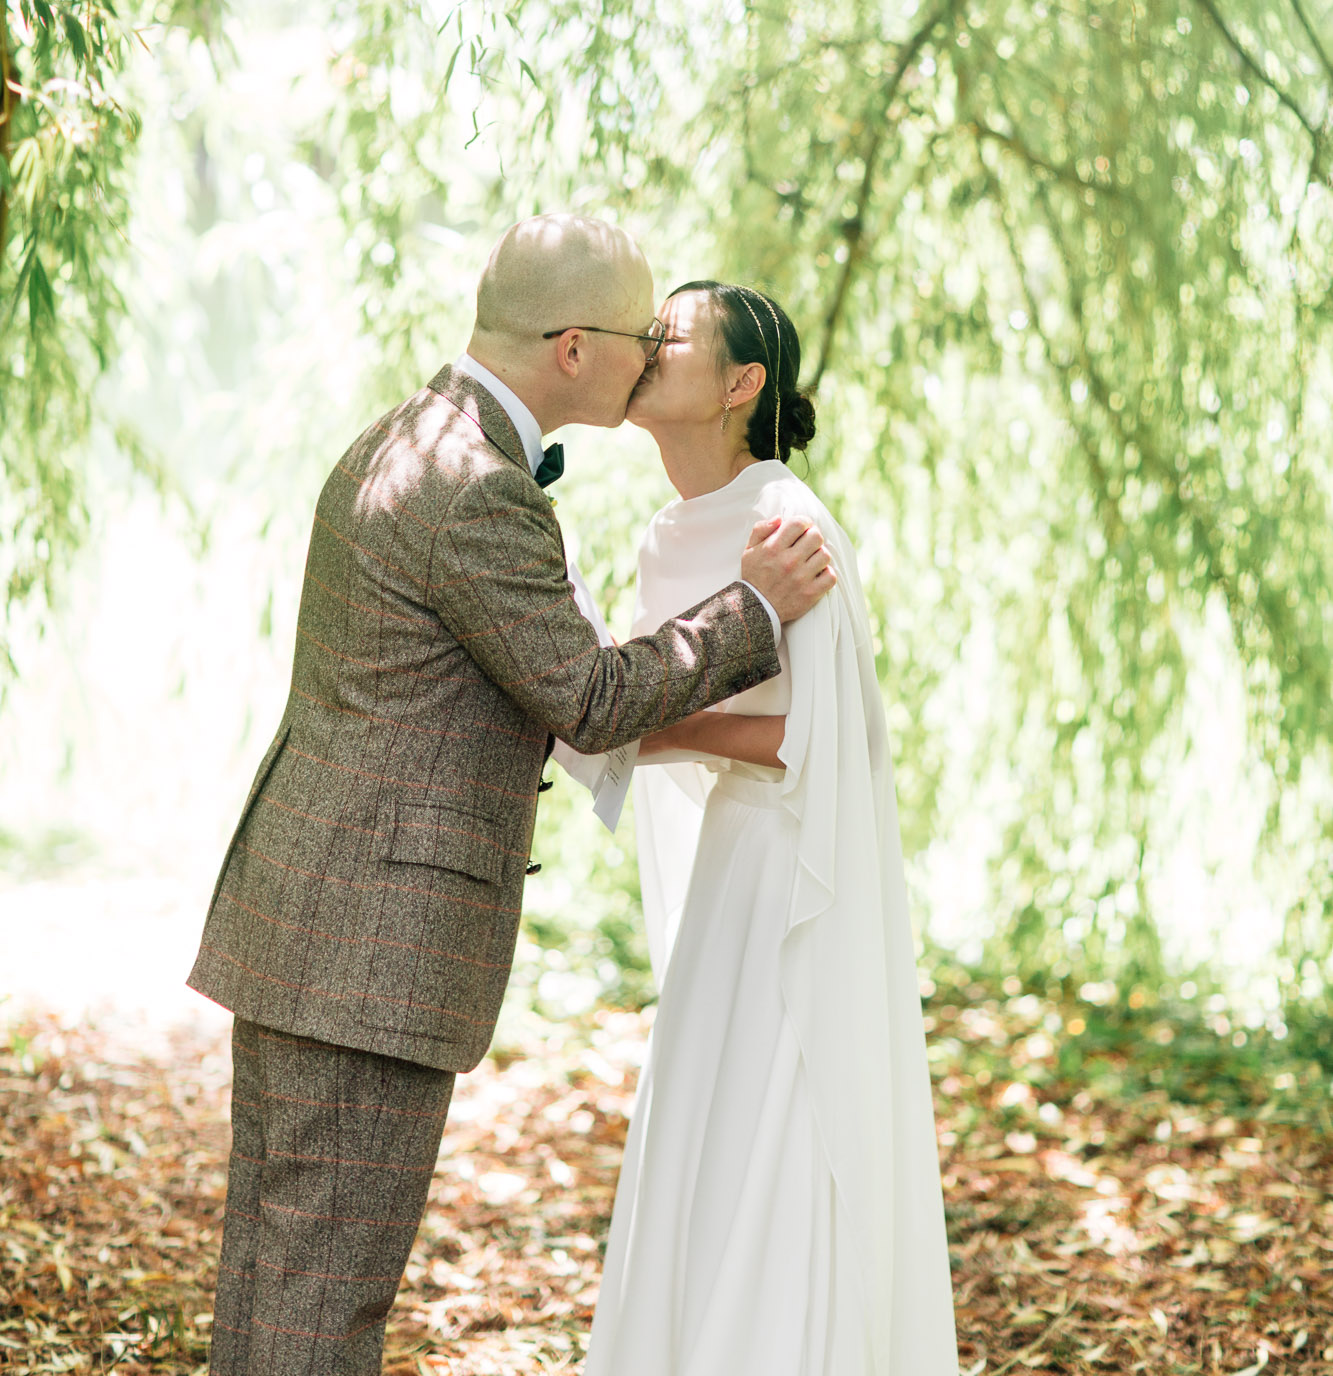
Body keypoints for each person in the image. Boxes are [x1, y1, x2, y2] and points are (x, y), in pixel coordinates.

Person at [187, 217, 836, 1376]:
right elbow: (589, 696)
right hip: (369, 951)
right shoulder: (476, 488)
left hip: (311, 918)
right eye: (641, 336)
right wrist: (751, 607)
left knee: (279, 1282)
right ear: (575, 348)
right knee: (321, 1299)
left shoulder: (403, 437)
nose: (653, 354)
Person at [585, 281, 959, 1376]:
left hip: (790, 859)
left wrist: (639, 721)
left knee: (778, 1110)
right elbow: (646, 694)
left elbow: (822, 734)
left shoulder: (786, 519)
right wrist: (606, 712)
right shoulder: (666, 533)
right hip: (726, 866)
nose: (645, 344)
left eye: (671, 335)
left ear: (740, 383)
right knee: (706, 1118)